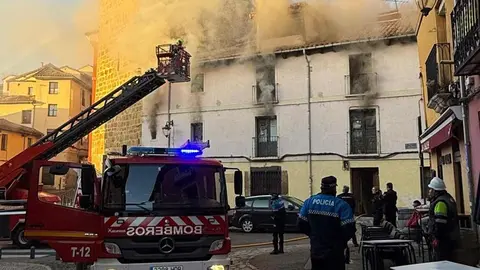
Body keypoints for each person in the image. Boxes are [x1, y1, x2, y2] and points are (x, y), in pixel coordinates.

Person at [298, 176, 355, 270]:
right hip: (335, 252)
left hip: (316, 249)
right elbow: (349, 228)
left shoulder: (309, 202)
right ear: (334, 188)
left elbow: (301, 223)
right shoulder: (341, 205)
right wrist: (339, 241)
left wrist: (313, 235)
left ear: (322, 187)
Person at [426, 177, 460, 262]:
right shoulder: (448, 198)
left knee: (441, 262)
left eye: (431, 189)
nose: (429, 191)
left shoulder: (440, 203)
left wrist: (436, 238)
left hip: (443, 240)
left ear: (435, 190)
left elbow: (440, 223)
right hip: (451, 237)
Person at [337, 185, 358, 264]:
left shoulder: (339, 197)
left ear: (343, 190)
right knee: (351, 228)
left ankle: (343, 242)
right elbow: (354, 205)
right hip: (350, 215)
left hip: (341, 216)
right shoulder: (351, 196)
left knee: (342, 229)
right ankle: (355, 242)